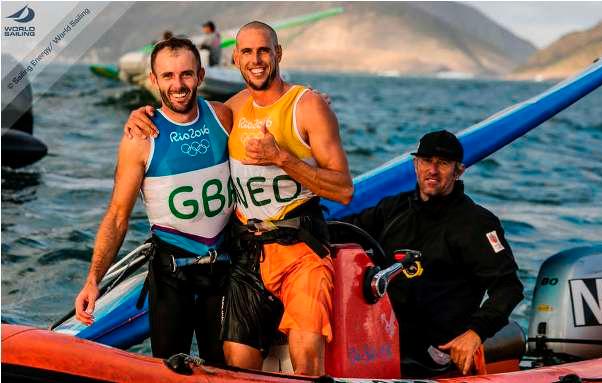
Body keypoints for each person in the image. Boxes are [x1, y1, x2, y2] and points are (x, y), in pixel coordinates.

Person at [123, 21, 353, 375]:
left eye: (264, 50)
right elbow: (183, 116)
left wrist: (282, 158)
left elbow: (344, 190)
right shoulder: (230, 110)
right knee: (236, 365)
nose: (256, 59)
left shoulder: (307, 106)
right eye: (247, 52)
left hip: (301, 250)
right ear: (235, 59)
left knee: (306, 360)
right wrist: (141, 114)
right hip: (249, 255)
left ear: (278, 54)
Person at [74, 37, 234, 365]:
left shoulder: (224, 117)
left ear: (201, 75)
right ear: (153, 80)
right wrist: (93, 280)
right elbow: (118, 214)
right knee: (168, 371)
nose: (178, 84)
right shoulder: (140, 138)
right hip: (170, 275)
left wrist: (310, 100)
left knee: (225, 369)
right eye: (168, 76)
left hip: (224, 270)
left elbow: (268, 102)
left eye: (186, 74)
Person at [344, 130, 524, 377]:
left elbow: (508, 288)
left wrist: (475, 333)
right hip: (381, 342)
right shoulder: (392, 208)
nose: (433, 170)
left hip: (435, 353)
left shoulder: (476, 223)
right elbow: (344, 231)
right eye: (426, 161)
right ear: (415, 164)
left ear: (459, 170)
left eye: (443, 163)